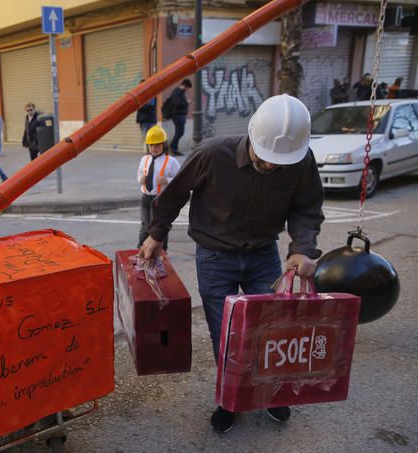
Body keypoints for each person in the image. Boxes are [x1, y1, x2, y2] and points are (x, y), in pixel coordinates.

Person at [139, 94, 324, 434]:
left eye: (278, 164)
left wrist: (303, 248)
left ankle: (271, 390)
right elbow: (175, 194)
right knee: (225, 333)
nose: (271, 166)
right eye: (265, 159)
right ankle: (230, 397)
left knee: (272, 330)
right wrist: (155, 235)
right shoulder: (212, 154)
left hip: (262, 253)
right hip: (215, 257)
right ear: (252, 135)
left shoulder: (298, 159)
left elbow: (307, 206)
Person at [136, 125, 180, 249]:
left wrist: (168, 180)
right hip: (146, 197)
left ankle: (162, 252)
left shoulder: (171, 162)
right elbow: (139, 175)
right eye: (151, 145)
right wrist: (141, 179)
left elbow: (180, 180)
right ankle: (140, 250)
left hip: (161, 198)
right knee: (145, 225)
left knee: (159, 227)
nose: (154, 148)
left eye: (157, 145)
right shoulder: (144, 159)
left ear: (164, 145)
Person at [165, 79, 192, 156]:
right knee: (180, 132)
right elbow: (178, 104)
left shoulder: (181, 92)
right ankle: (172, 148)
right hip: (177, 116)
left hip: (180, 115)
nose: (187, 90)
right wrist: (187, 102)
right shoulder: (176, 92)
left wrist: (185, 102)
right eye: (187, 88)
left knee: (179, 132)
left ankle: (174, 149)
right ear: (184, 85)